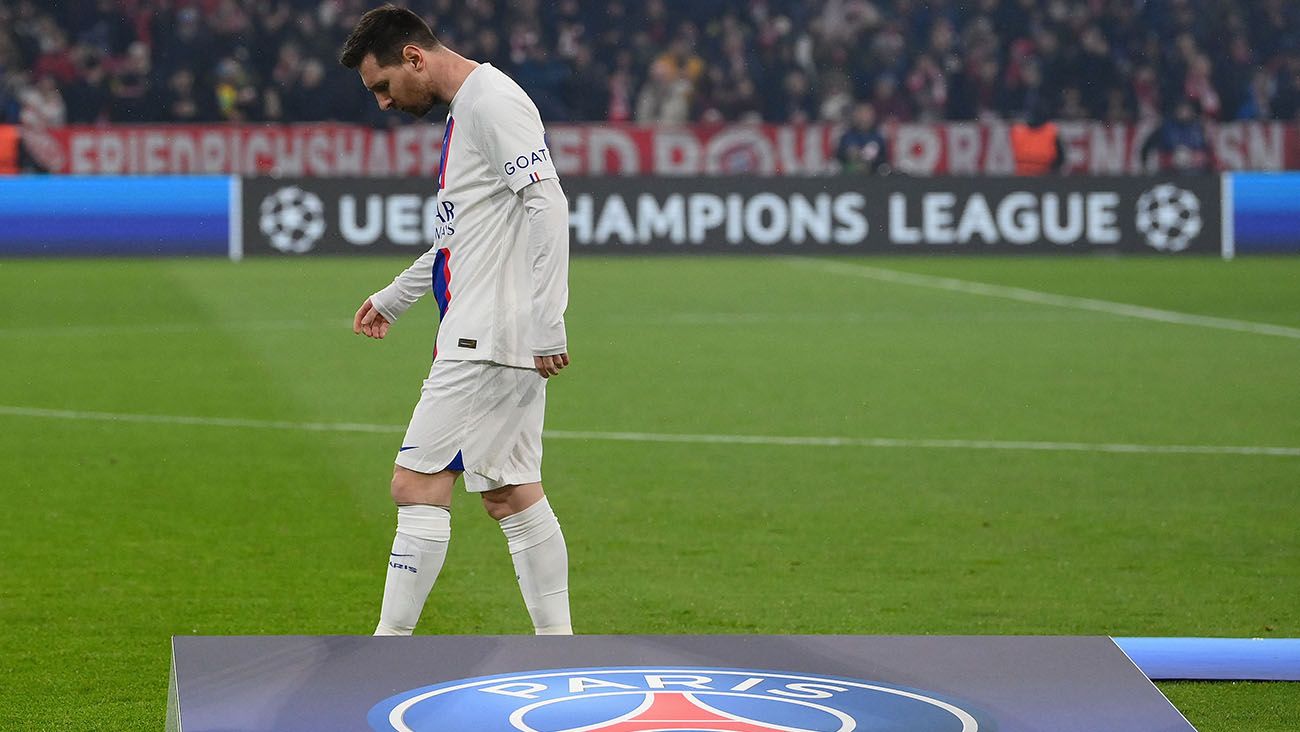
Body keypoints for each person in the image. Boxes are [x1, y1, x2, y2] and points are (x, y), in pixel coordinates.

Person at [339, 4, 573, 637]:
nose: (384, 104)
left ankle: (389, 649)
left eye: (383, 86)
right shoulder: (469, 108)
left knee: (415, 484)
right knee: (511, 491)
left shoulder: (491, 101)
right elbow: (462, 237)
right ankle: (560, 647)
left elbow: (546, 205)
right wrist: (396, 295)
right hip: (498, 335)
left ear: (414, 57)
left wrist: (550, 320)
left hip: (486, 338)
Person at [1009, 101, 1064, 175]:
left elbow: (1060, 158)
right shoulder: (1017, 131)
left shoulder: (1051, 131)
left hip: (1045, 175)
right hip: (1021, 176)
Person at [836, 102, 889, 175]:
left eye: (867, 113)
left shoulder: (878, 136)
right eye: (861, 113)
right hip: (850, 175)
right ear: (855, 115)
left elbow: (884, 157)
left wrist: (869, 164)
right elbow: (840, 156)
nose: (864, 117)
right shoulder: (847, 135)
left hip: (874, 176)